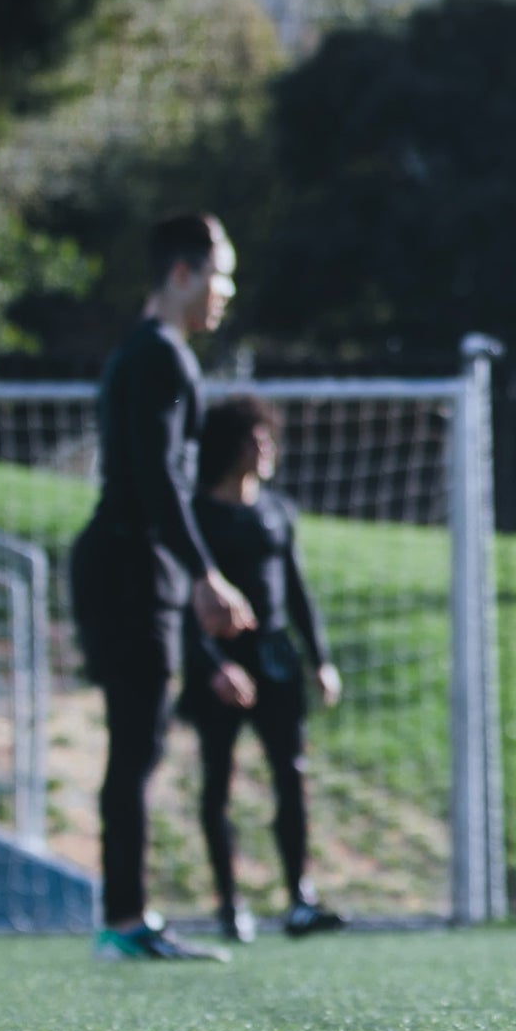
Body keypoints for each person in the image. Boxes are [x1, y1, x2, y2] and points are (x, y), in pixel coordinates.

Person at [71, 214, 254, 963]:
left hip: (130, 563)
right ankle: (125, 921)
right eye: (220, 275)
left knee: (138, 743)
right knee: (136, 745)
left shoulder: (144, 354)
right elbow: (156, 480)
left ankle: (126, 918)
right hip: (128, 565)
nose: (226, 292)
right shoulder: (160, 357)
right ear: (183, 274)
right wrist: (206, 574)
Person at [185, 392, 347, 943]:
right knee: (218, 783)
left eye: (268, 439)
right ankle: (229, 903)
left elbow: (296, 590)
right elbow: (184, 601)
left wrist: (320, 659)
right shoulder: (196, 517)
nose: (266, 449)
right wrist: (211, 665)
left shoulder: (276, 512)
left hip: (275, 657)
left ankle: (300, 898)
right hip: (221, 662)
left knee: (291, 773)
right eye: (255, 440)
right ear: (229, 446)